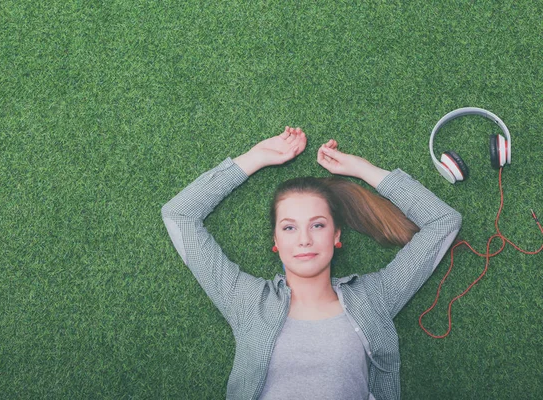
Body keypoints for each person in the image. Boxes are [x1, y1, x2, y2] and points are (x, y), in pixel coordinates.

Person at [161, 127, 462, 400]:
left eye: (317, 225)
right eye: (289, 228)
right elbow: (179, 215)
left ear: (336, 235)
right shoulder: (247, 301)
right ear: (276, 241)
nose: (304, 239)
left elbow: (443, 222)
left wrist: (361, 169)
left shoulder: (375, 297)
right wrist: (253, 159)